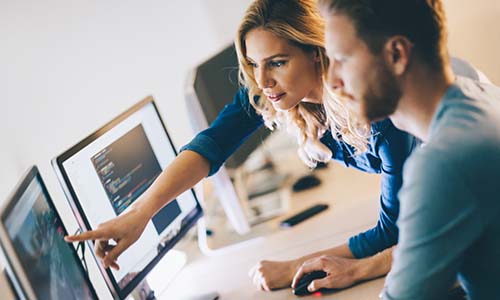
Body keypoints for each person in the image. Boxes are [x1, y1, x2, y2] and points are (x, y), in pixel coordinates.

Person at [65, 0, 481, 293]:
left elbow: (396, 230)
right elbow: (211, 144)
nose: (262, 82)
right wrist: (140, 214)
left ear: (317, 53)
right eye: (253, 64)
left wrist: (294, 268)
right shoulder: (277, 91)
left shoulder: (379, 103)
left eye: (277, 62)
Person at [292, 0, 500, 299]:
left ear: (396, 54)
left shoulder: (444, 163)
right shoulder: (479, 96)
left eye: (342, 59)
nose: (332, 81)